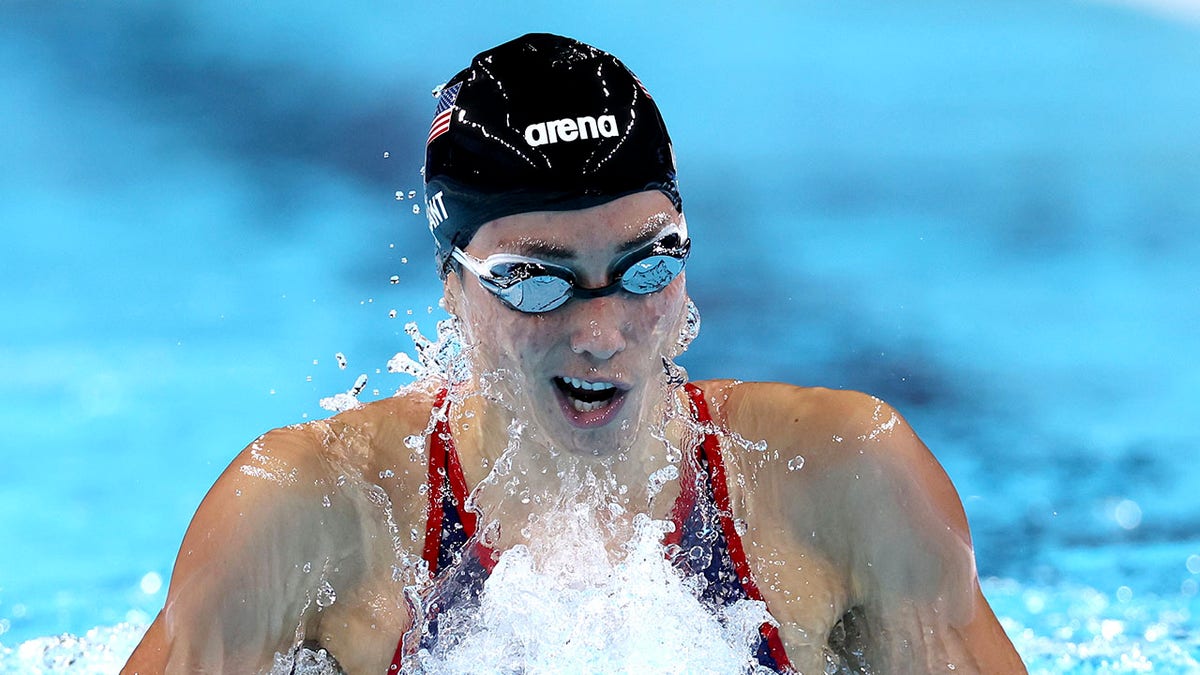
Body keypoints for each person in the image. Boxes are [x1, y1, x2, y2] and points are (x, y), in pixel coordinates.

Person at [123, 33, 1026, 674]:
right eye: (536, 282)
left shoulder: (845, 478)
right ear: (453, 285)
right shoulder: (308, 513)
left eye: (646, 267)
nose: (600, 332)